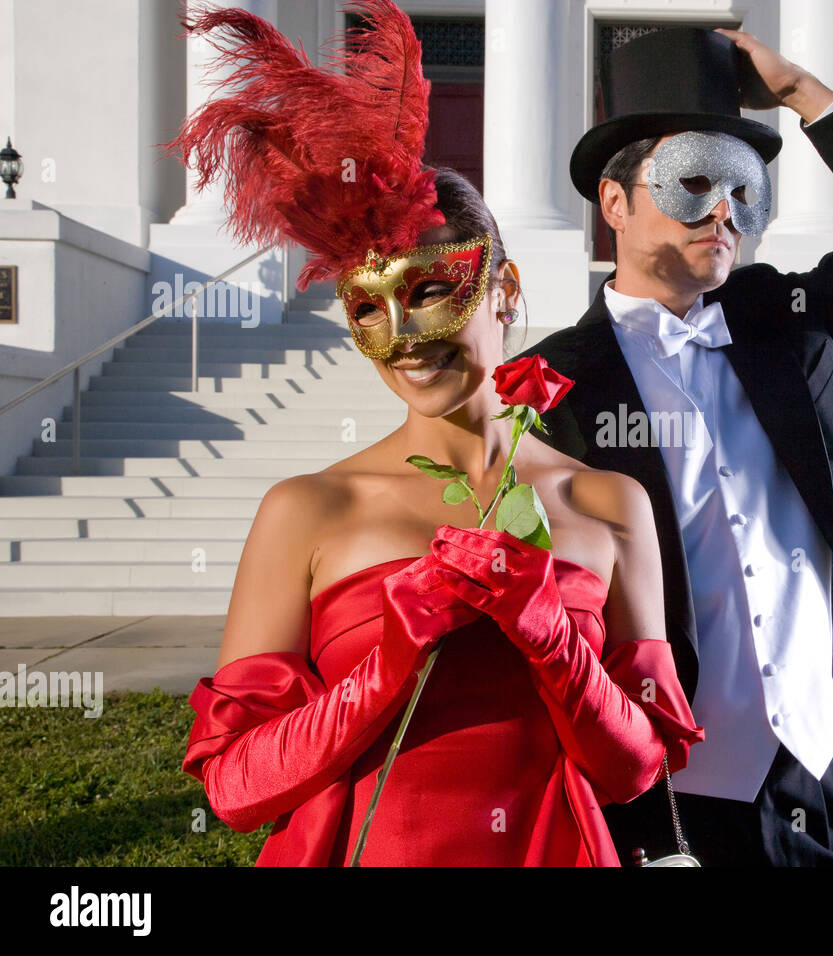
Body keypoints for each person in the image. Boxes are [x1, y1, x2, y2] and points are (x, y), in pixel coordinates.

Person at [172, 0, 702, 866]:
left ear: (503, 286)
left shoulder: (608, 502)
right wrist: (390, 653)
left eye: (428, 292)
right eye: (368, 308)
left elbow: (632, 770)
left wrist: (550, 636)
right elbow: (235, 788)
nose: (406, 339)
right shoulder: (308, 510)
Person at [521, 26, 833, 865]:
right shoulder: (544, 389)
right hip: (661, 799)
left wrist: (802, 87)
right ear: (615, 202)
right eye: (692, 180)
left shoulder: (794, 329)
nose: (724, 210)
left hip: (814, 779)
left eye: (743, 185)